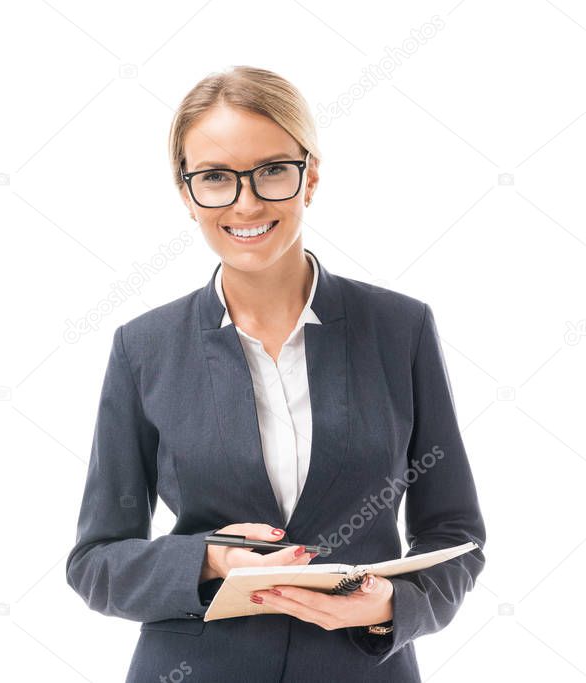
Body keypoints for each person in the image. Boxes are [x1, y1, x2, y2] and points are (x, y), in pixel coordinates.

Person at [64, 66, 486, 683]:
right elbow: (95, 564)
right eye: (215, 178)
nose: (246, 202)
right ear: (186, 193)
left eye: (272, 171)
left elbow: (454, 533)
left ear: (309, 176)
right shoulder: (144, 348)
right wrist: (205, 561)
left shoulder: (401, 330)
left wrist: (394, 607)